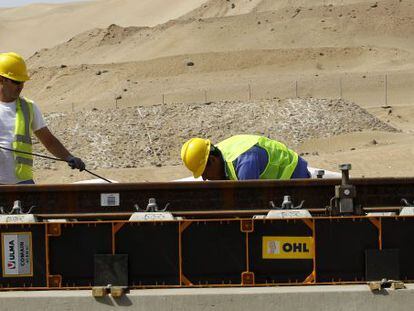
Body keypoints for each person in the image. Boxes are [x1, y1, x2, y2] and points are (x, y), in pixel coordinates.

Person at [0, 52, 85, 184]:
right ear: (1, 79)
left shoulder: (28, 107)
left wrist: (69, 157)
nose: (21, 87)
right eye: (16, 82)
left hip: (23, 183)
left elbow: (49, 141)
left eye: (22, 82)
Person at [181, 134, 310, 181]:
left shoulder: (244, 163)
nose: (204, 178)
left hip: (294, 175)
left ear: (213, 160)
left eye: (204, 172)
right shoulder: (220, 154)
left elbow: (250, 205)